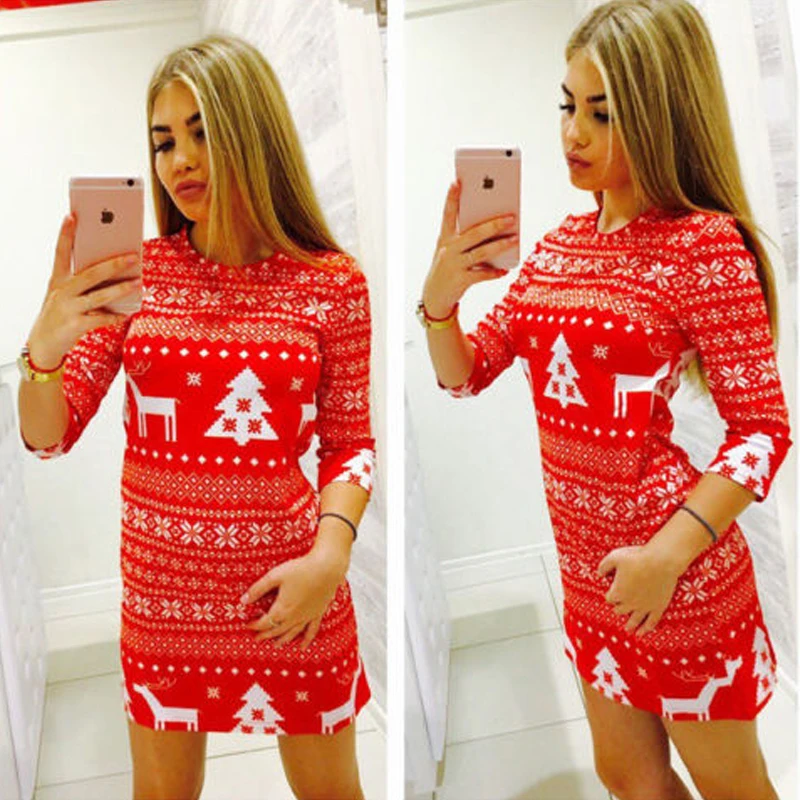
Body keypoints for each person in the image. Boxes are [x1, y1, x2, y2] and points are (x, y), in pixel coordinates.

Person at [418, 1, 791, 798]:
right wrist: (440, 301)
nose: (572, 133)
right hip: (590, 575)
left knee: (731, 784)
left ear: (660, 116)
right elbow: (467, 374)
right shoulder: (559, 247)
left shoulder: (704, 245)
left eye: (602, 112)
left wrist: (666, 558)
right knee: (626, 776)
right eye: (568, 106)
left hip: (679, 574)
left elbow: (762, 432)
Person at [18, 34, 375, 800]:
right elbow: (48, 434)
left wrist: (331, 558)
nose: (179, 161)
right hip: (163, 605)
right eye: (163, 142)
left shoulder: (332, 284)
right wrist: (42, 350)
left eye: (201, 132)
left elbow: (351, 446)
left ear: (254, 131)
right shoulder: (135, 277)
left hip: (295, 592)